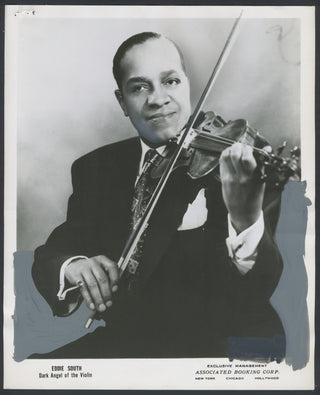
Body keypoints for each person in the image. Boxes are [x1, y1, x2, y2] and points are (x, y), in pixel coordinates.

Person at [31, 32, 285, 359]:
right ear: (122, 101)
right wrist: (73, 266)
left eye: (171, 81)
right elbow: (55, 250)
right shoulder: (97, 168)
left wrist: (245, 218)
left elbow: (263, 285)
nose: (158, 98)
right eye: (139, 87)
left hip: (222, 348)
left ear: (188, 85)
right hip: (131, 342)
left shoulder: (239, 165)